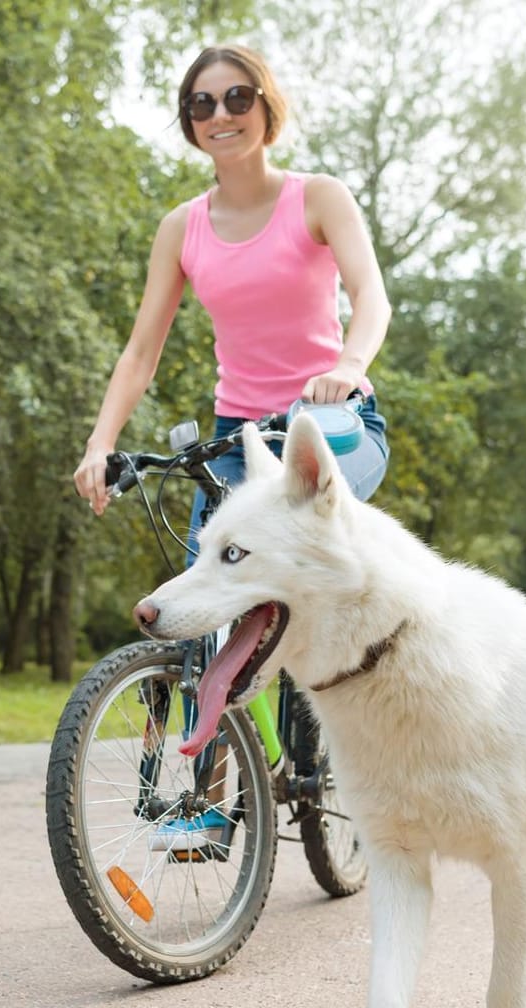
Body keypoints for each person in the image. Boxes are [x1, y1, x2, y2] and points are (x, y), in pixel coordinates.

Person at [71, 43, 393, 851]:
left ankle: (353, 741)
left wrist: (348, 366)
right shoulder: (182, 227)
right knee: (210, 607)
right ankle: (207, 803)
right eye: (202, 104)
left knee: (321, 573)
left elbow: (371, 296)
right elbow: (141, 352)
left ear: (266, 105)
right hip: (236, 438)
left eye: (237, 97)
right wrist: (101, 444)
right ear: (190, 122)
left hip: (330, 425)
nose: (221, 115)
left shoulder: (318, 199)